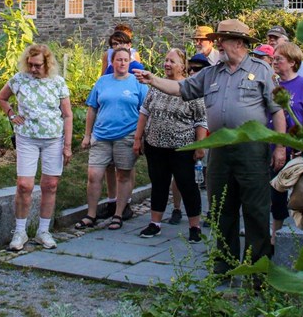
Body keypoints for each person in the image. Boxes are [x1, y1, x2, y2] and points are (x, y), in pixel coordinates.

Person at [135, 19, 286, 272]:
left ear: (238, 43)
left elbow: (278, 111)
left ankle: (257, 271)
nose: (218, 45)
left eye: (222, 40)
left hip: (251, 150)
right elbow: (180, 88)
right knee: (221, 210)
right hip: (220, 151)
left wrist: (280, 147)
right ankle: (223, 266)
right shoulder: (211, 73)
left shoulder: (261, 70)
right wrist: (153, 80)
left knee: (256, 211)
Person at [0, 44, 73, 251]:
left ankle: (43, 231)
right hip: (27, 138)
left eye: (37, 65)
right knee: (24, 184)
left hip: (53, 139)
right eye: (30, 65)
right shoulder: (19, 80)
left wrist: (67, 145)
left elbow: (67, 114)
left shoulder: (57, 83)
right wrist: (12, 114)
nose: (33, 69)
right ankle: (20, 231)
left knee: (50, 185)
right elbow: (1, 97)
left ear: (47, 64)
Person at [133, 48, 207, 243]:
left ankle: (194, 226)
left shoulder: (191, 88)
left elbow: (201, 120)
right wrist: (138, 138)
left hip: (182, 147)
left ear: (182, 66)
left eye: (172, 61)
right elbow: (144, 112)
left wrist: (200, 146)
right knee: (158, 183)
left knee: (187, 185)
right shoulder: (156, 87)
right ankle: (155, 223)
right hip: (155, 145)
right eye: (165, 60)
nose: (167, 64)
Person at [76, 47, 148, 231]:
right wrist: (87, 134)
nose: (122, 63)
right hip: (101, 136)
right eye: (118, 60)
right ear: (112, 62)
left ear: (130, 62)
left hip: (127, 135)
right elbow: (92, 108)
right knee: (94, 175)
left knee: (123, 175)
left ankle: (118, 213)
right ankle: (91, 214)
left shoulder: (138, 83)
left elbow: (145, 111)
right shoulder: (102, 82)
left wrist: (140, 137)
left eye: (125, 60)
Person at [270, 42, 303, 243]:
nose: (274, 62)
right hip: (272, 146)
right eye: (273, 59)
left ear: (292, 62)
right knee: (275, 193)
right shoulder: (273, 85)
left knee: (297, 193)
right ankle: (275, 234)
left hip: (294, 148)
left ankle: (302, 233)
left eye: (279, 59)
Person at [98, 29, 143, 220]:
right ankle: (112, 200)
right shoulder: (109, 65)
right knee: (109, 166)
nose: (117, 48)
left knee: (125, 167)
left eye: (121, 44)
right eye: (114, 45)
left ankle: (126, 202)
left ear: (129, 46)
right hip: (108, 122)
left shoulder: (136, 66)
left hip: (127, 125)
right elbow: (100, 84)